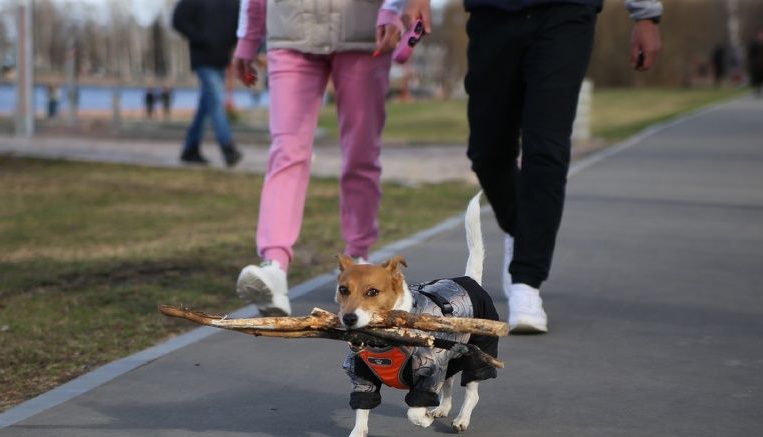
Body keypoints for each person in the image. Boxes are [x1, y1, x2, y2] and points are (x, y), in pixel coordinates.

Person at [405, 0, 661, 333]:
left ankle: (526, 282)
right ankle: (523, 231)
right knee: (487, 151)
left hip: (566, 13)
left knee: (547, 149)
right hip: (493, 14)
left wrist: (646, 15)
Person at [232, 0, 406, 316]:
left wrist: (393, 9)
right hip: (290, 29)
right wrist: (248, 37)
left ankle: (358, 258)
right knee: (286, 151)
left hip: (363, 31)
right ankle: (274, 266)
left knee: (361, 155)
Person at [171, 0, 242, 167]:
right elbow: (178, 20)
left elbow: (241, 25)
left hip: (221, 59)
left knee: (207, 104)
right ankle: (228, 147)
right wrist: (201, 37)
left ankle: (190, 148)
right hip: (202, 59)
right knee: (216, 101)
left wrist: (236, 47)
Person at [746, 28, 763, 98]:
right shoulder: (754, 43)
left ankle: (762, 89)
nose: (762, 36)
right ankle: (757, 89)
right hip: (756, 63)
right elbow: (750, 53)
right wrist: (751, 61)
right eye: (761, 35)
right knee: (756, 77)